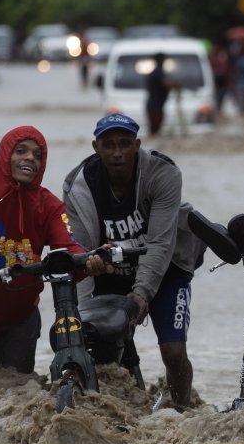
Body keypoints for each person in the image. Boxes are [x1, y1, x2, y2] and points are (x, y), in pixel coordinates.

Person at [0, 126, 106, 375]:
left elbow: (68, 249)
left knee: (18, 398)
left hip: (20, 319)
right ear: (5, 156)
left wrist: (91, 260)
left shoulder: (50, 206)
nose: (30, 158)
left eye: (38, 155)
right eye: (21, 151)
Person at [63, 113, 203, 410]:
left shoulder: (162, 174)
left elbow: (161, 243)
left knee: (174, 351)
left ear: (137, 145)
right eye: (108, 145)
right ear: (95, 147)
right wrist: (82, 311)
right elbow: (80, 251)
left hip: (166, 267)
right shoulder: (78, 185)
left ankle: (183, 414)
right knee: (99, 349)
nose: (117, 153)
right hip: (110, 271)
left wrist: (141, 295)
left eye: (125, 144)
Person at [145, 52, 172, 135]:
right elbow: (165, 84)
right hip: (154, 106)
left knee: (155, 129)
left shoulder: (156, 72)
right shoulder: (158, 72)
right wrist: (175, 84)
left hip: (156, 105)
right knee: (155, 129)